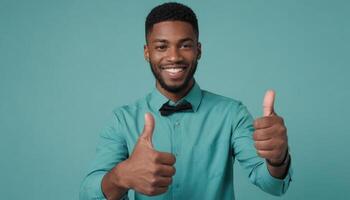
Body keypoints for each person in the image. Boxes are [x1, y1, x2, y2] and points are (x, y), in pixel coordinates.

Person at [80, 2, 292, 200]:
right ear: (147, 52)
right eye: (162, 46)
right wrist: (121, 176)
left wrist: (277, 159)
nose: (174, 57)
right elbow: (88, 193)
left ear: (198, 50)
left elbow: (272, 185)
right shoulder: (122, 120)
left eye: (185, 45)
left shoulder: (232, 114)